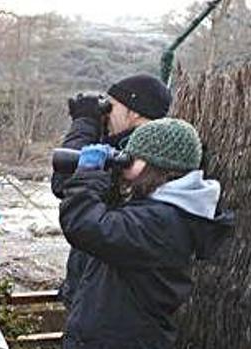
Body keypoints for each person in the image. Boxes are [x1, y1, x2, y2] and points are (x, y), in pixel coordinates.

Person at [58, 118, 235, 349]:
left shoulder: (161, 221)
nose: (126, 165)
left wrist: (90, 175)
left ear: (158, 167)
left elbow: (85, 226)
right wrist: (103, 179)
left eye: (133, 160)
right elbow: (105, 226)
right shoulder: (165, 213)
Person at [53, 74, 173, 307]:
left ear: (135, 112)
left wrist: (84, 123)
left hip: (104, 295)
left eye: (112, 106)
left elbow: (64, 182)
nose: (106, 112)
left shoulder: (129, 157)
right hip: (105, 291)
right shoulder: (159, 150)